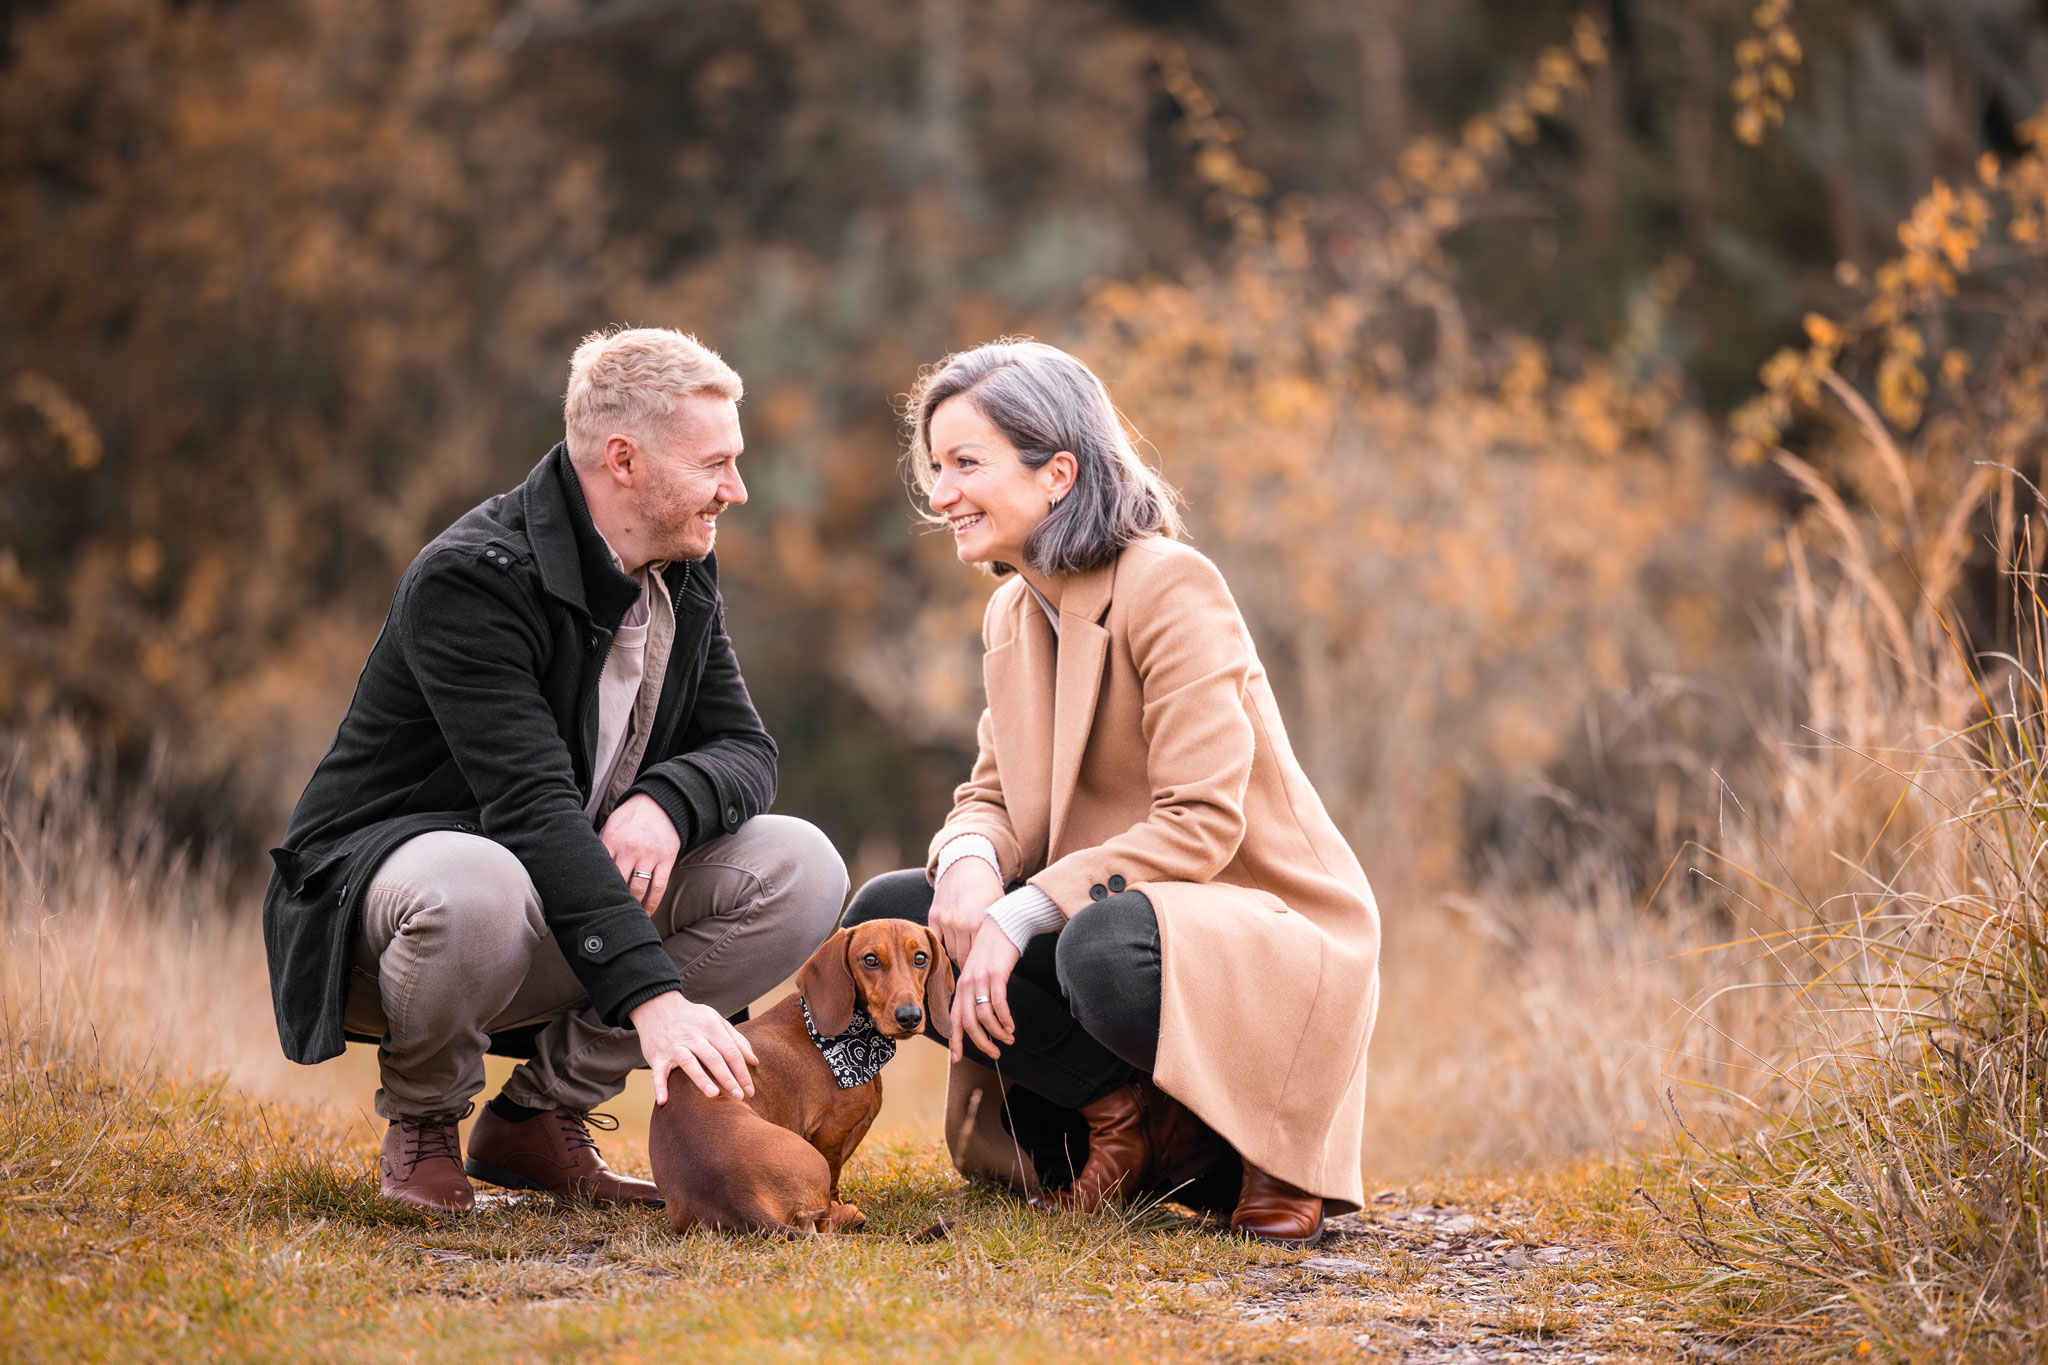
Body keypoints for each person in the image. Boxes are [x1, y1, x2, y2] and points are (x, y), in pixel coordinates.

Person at [263, 328, 847, 1213]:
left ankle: (539, 1115)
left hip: (562, 902)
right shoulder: (473, 578)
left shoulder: (681, 567)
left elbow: (745, 750)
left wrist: (664, 800)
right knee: (477, 878)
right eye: (716, 464)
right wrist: (654, 1000)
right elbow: (532, 809)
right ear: (624, 459)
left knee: (802, 864)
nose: (737, 489)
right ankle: (423, 1121)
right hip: (400, 922)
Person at [841, 339, 1380, 1246]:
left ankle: (1263, 1145)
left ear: (1058, 471)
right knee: (897, 913)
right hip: (1119, 915)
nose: (939, 495)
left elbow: (1203, 821)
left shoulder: (1172, 584)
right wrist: (972, 862)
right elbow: (991, 792)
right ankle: (1128, 1124)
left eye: (966, 463)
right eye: (935, 467)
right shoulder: (1012, 614)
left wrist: (1016, 917)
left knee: (1100, 944)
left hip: (1255, 924)